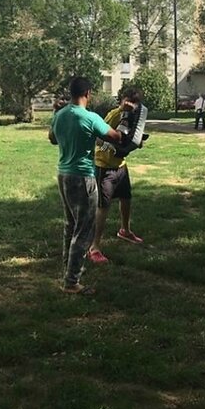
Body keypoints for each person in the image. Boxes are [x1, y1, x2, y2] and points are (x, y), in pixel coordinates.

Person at [49, 76, 123, 294]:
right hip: (83, 177)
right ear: (88, 93)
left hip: (63, 175)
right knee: (84, 230)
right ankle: (72, 282)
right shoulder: (90, 118)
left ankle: (68, 268)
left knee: (70, 224)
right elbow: (115, 136)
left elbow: (52, 138)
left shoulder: (60, 114)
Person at [88, 86, 145, 265]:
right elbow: (100, 135)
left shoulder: (132, 116)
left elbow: (129, 137)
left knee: (126, 198)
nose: (131, 105)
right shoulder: (114, 114)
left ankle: (124, 230)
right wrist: (122, 112)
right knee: (103, 207)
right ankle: (94, 247)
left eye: (135, 103)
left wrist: (135, 142)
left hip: (120, 165)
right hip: (104, 166)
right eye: (128, 100)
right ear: (122, 99)